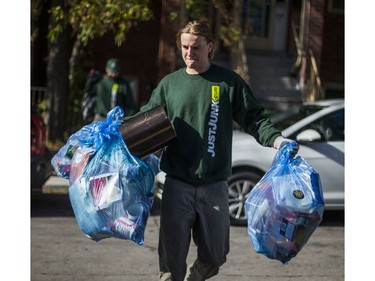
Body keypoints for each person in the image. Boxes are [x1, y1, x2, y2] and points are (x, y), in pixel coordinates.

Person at [130, 20, 299, 281]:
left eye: (196, 47)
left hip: (214, 186)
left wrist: (278, 141)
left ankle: (193, 278)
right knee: (170, 262)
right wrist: (116, 139)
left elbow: (254, 119)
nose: (189, 53)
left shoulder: (228, 83)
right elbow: (145, 122)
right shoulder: (169, 85)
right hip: (177, 185)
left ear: (210, 47)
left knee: (216, 255)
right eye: (185, 47)